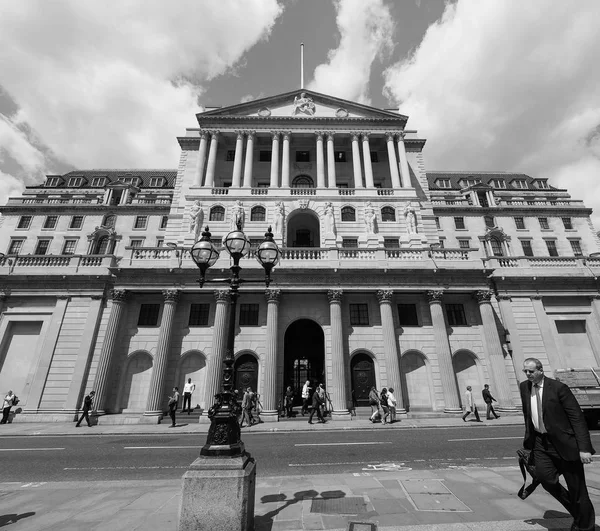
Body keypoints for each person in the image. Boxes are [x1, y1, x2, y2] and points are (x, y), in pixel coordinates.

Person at [520, 358, 595, 531]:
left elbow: (577, 418)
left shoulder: (559, 388)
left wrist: (584, 448)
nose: (528, 374)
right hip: (540, 442)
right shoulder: (524, 387)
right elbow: (528, 415)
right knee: (546, 479)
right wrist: (529, 441)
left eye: (531, 371)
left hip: (565, 443)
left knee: (577, 489)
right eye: (525, 371)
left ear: (540, 370)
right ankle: (580, 513)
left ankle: (585, 526)